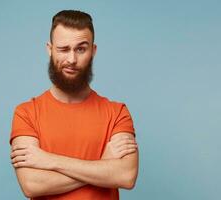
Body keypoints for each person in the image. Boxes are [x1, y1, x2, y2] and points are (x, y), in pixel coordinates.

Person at [9, 10, 139, 200]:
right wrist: (103, 165)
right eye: (63, 49)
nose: (71, 59)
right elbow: (32, 185)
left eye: (80, 49)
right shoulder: (26, 113)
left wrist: (49, 160)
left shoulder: (117, 112)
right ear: (50, 49)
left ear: (93, 51)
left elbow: (125, 176)